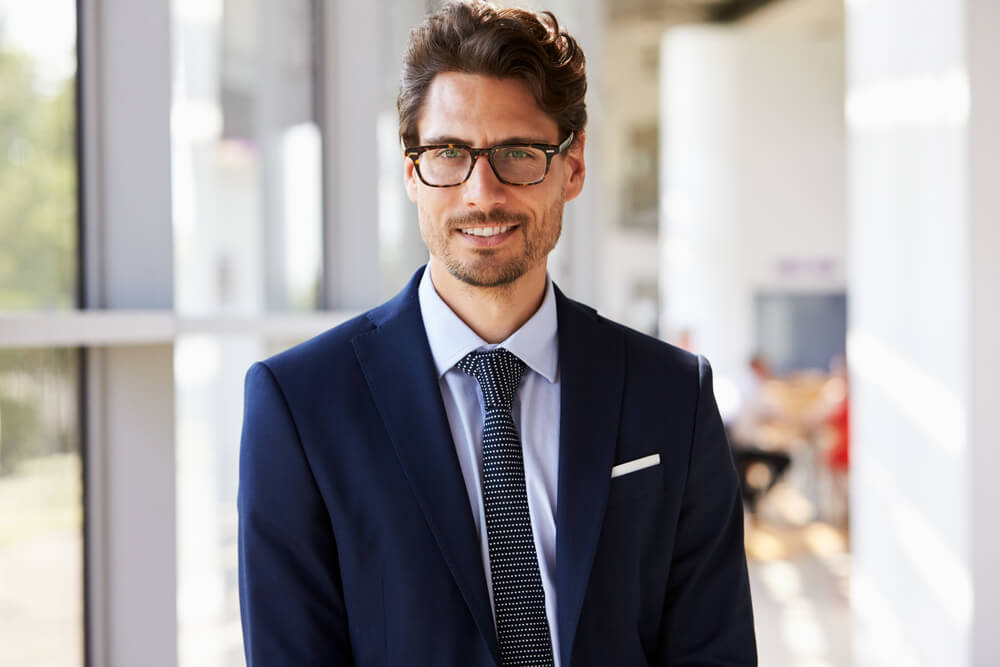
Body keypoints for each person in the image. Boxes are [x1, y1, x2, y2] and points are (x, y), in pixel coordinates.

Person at [237, 3, 756, 665]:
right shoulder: (301, 407)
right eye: (449, 152)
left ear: (572, 166)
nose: (482, 193)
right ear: (409, 169)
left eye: (518, 153)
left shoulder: (673, 397)